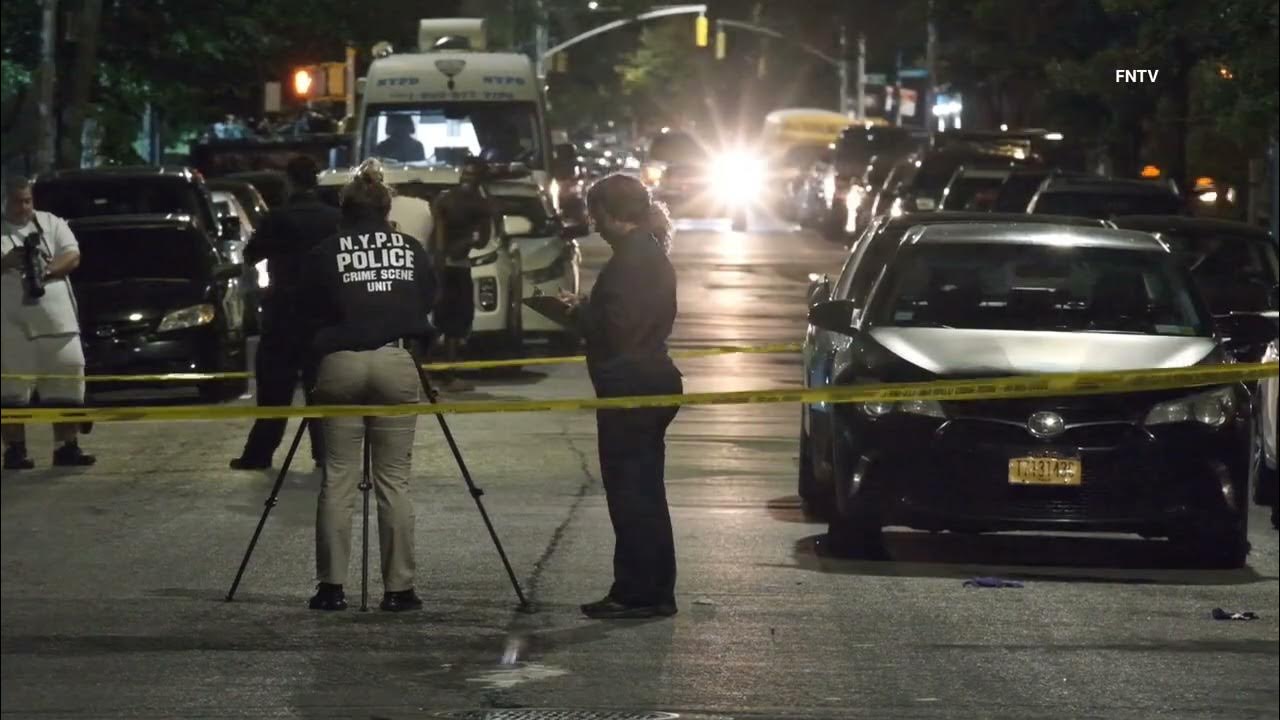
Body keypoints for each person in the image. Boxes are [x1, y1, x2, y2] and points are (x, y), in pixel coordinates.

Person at [298, 160, 436, 612]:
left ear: (344, 209)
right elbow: (430, 299)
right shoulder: (409, 249)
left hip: (339, 364)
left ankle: (331, 588)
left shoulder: (325, 253)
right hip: (395, 360)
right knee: (393, 481)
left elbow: (304, 310)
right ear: (386, 206)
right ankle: (399, 590)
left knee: (338, 478)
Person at [559, 173, 683, 619]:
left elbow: (619, 329)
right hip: (647, 381)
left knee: (632, 495)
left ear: (613, 214)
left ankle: (639, 592)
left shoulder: (632, 259)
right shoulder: (647, 253)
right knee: (644, 491)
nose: (594, 225)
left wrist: (579, 317)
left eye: (597, 215)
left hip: (631, 386)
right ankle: (651, 589)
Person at [230, 156, 339, 471]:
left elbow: (252, 255)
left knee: (274, 389)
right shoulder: (334, 218)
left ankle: (259, 454)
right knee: (322, 390)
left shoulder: (278, 218)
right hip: (325, 316)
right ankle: (326, 453)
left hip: (284, 314)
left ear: (289, 181)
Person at [1, 176, 95, 469]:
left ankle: (67, 447)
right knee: (11, 392)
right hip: (10, 324)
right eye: (17, 201)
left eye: (27, 200)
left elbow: (72, 254)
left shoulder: (51, 223)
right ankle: (15, 450)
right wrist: (9, 261)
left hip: (58, 323)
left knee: (66, 386)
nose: (23, 207)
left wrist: (48, 270)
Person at [429, 157, 494, 391]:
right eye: (467, 174)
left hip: (446, 266)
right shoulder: (478, 203)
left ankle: (437, 373)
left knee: (446, 323)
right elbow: (482, 239)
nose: (467, 179)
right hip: (452, 267)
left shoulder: (446, 199)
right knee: (453, 324)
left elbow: (439, 237)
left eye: (471, 175)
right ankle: (445, 375)